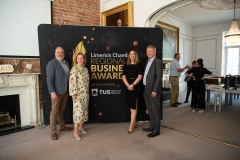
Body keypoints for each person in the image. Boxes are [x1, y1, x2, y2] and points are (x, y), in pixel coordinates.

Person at [46, 47, 72, 140]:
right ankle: (53, 131)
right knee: (54, 111)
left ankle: (62, 126)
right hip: (56, 92)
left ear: (64, 53)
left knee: (61, 109)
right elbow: (49, 80)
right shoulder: (52, 64)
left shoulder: (66, 63)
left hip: (65, 91)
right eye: (58, 52)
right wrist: (52, 93)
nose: (60, 54)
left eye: (62, 52)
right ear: (55, 53)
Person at [142, 45, 162, 137]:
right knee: (150, 110)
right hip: (146, 88)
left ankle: (156, 130)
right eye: (147, 52)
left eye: (150, 51)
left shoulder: (158, 62)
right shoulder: (147, 61)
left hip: (153, 90)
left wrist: (154, 90)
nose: (148, 53)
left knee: (155, 110)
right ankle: (152, 126)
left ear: (155, 52)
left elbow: (158, 77)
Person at [69, 53, 89, 141]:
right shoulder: (74, 69)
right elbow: (72, 82)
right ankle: (75, 132)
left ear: (84, 59)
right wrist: (73, 93)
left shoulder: (85, 69)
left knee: (84, 111)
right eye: (78, 58)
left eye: (82, 58)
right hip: (77, 94)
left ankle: (81, 127)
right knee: (78, 112)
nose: (80, 59)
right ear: (76, 60)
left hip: (85, 94)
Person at [122, 50, 143, 134]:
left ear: (136, 55)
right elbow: (123, 77)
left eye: (134, 54)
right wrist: (128, 85)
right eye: (130, 54)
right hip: (128, 87)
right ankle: (134, 122)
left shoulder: (139, 65)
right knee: (132, 106)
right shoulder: (126, 65)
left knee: (134, 106)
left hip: (136, 87)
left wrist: (132, 85)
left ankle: (131, 126)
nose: (132, 55)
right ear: (129, 56)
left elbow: (140, 77)